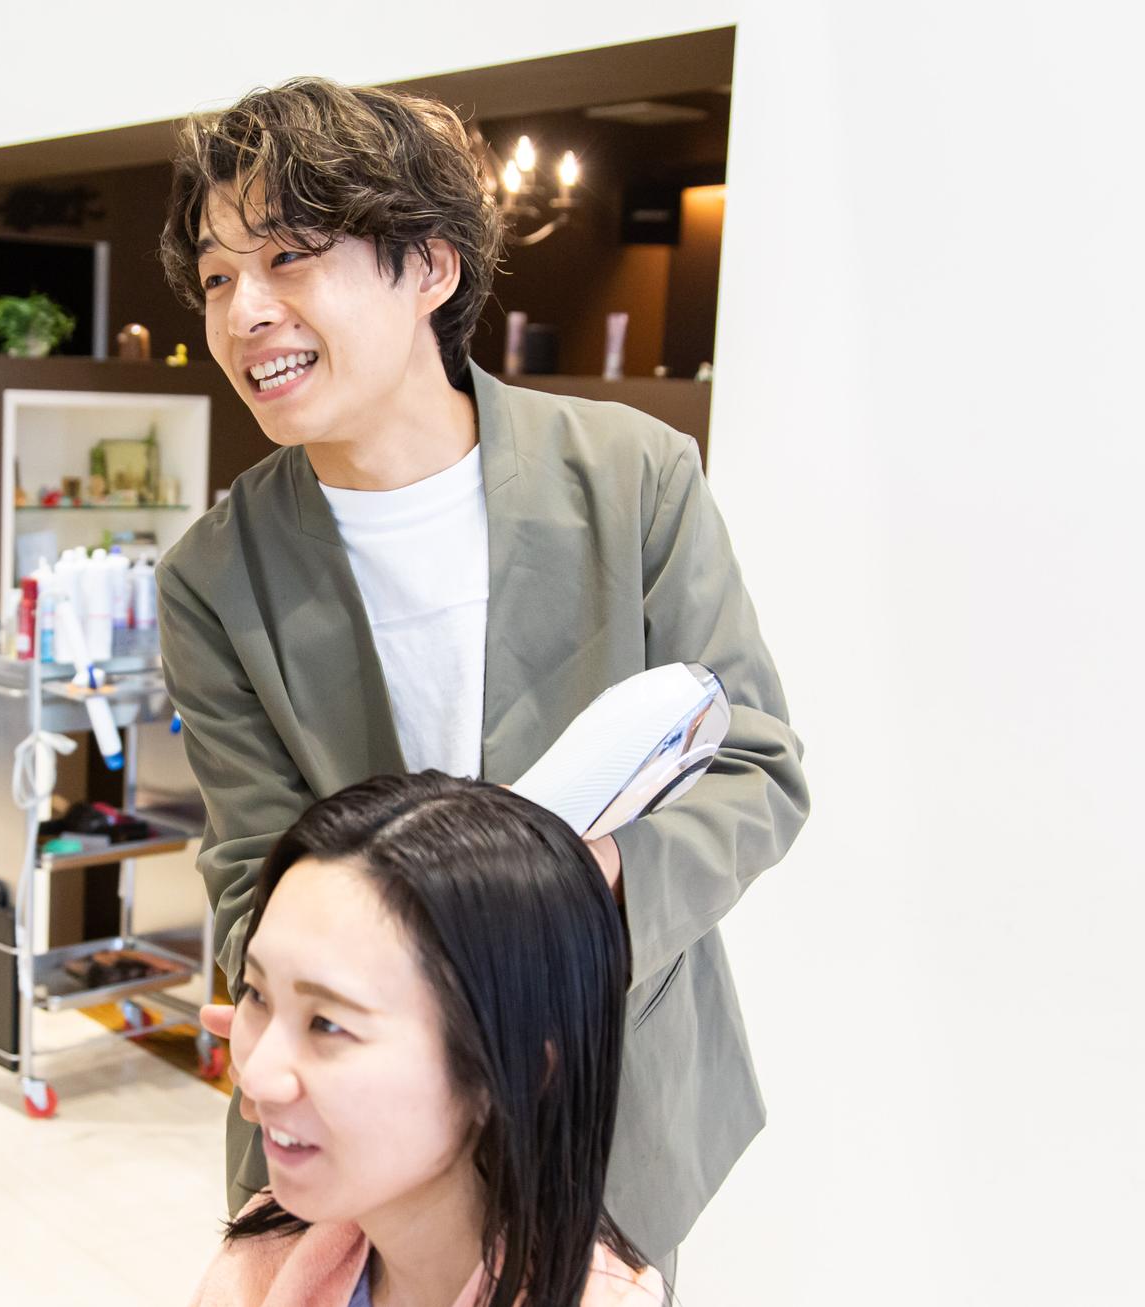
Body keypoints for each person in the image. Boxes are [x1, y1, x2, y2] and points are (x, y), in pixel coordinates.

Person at [156, 77, 810, 1271]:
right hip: (355, 1125)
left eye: (289, 255)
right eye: (214, 276)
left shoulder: (629, 478)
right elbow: (254, 870)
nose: (244, 309)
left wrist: (573, 895)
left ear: (430, 266)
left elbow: (754, 769)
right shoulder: (216, 575)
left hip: (604, 1086)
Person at [190, 772, 664, 1307]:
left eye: (327, 1024)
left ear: (519, 1071)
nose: (255, 1077)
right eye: (257, 994)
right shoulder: (261, 1259)